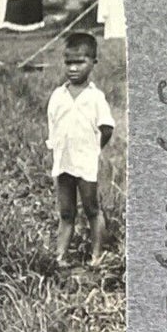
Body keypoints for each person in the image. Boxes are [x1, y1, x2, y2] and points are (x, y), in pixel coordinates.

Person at [46, 31, 114, 268]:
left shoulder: (95, 97)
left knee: (91, 208)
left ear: (93, 62)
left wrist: (92, 150)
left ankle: (96, 255)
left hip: (85, 162)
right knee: (66, 212)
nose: (73, 68)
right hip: (63, 162)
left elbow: (106, 128)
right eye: (68, 62)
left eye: (79, 62)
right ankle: (60, 257)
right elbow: (53, 126)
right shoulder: (58, 95)